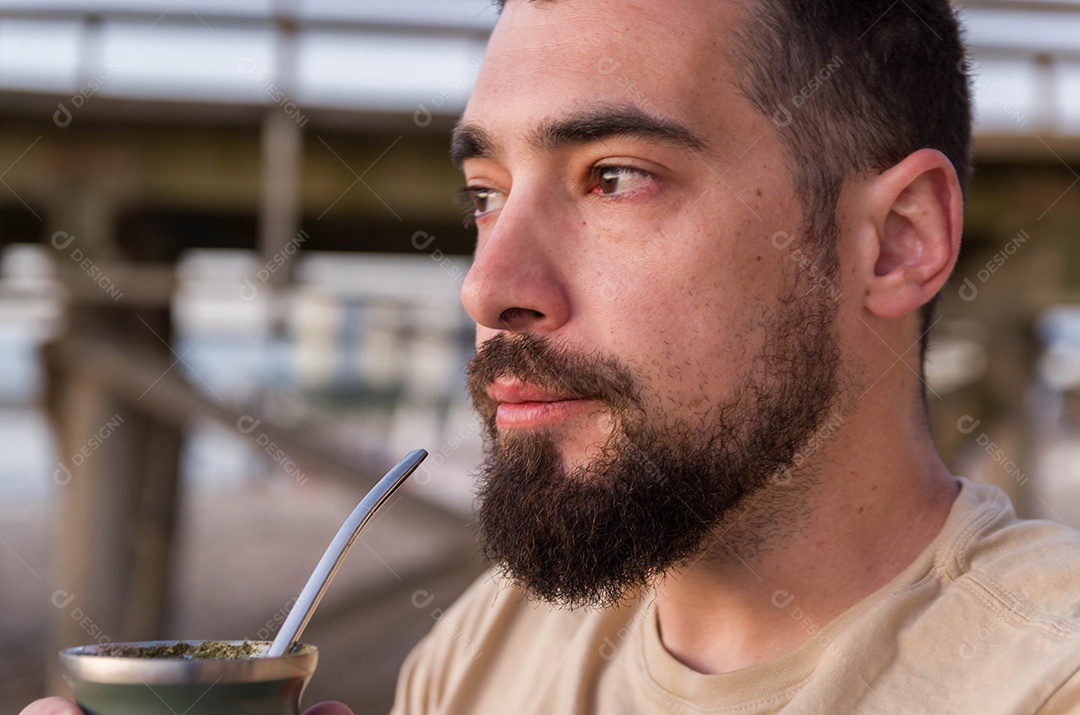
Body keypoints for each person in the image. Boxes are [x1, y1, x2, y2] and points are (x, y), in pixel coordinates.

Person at [24, 0, 1080, 713]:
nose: (486, 286)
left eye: (614, 177)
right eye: (485, 196)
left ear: (895, 241)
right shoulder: (483, 652)